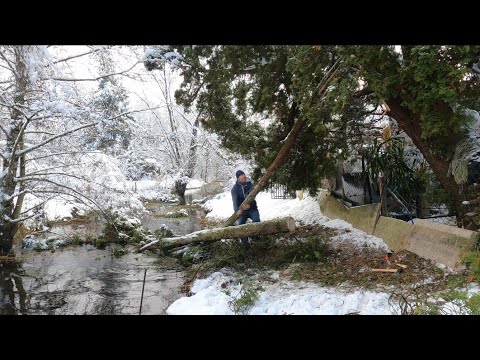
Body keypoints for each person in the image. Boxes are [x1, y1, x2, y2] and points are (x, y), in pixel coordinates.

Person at [231, 170, 260, 247]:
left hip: (252, 208)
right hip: (242, 211)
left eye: (244, 174)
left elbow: (253, 196)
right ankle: (245, 244)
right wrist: (237, 211)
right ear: (238, 178)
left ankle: (256, 238)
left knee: (257, 221)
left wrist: (250, 205)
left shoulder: (250, 184)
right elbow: (234, 201)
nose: (244, 176)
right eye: (241, 175)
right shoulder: (235, 188)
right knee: (241, 225)